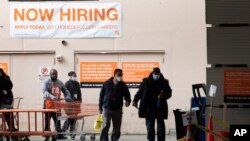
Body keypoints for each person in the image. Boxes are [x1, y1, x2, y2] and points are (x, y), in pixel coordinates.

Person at [133, 67, 172, 141]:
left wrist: (163, 95)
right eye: (155, 74)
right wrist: (135, 100)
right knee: (150, 127)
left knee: (161, 127)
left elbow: (169, 93)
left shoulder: (164, 83)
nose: (156, 76)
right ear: (152, 74)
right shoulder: (146, 83)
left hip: (160, 107)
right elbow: (139, 93)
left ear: (160, 74)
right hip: (149, 108)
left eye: (158, 74)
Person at [99, 68, 131, 141]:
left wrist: (128, 101)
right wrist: (100, 108)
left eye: (121, 75)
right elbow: (101, 96)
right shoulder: (106, 83)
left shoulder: (123, 85)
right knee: (106, 125)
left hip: (117, 109)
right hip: (106, 108)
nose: (120, 77)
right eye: (118, 75)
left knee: (117, 127)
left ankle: (114, 139)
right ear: (114, 75)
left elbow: (127, 95)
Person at [42, 69, 72, 141]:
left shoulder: (60, 82)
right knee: (47, 121)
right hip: (48, 104)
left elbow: (65, 90)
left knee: (58, 120)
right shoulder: (46, 81)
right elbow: (44, 91)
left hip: (57, 105)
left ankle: (59, 135)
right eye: (53, 74)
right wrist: (52, 97)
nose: (54, 75)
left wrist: (68, 95)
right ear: (50, 74)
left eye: (55, 74)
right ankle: (47, 136)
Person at [62, 71, 82, 139]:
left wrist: (79, 101)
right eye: (74, 76)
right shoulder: (67, 83)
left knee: (74, 118)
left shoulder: (77, 83)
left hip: (76, 103)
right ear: (70, 76)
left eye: (75, 76)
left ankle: (72, 132)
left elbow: (79, 93)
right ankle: (64, 130)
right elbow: (65, 93)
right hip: (69, 104)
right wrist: (69, 100)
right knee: (70, 117)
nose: (75, 77)